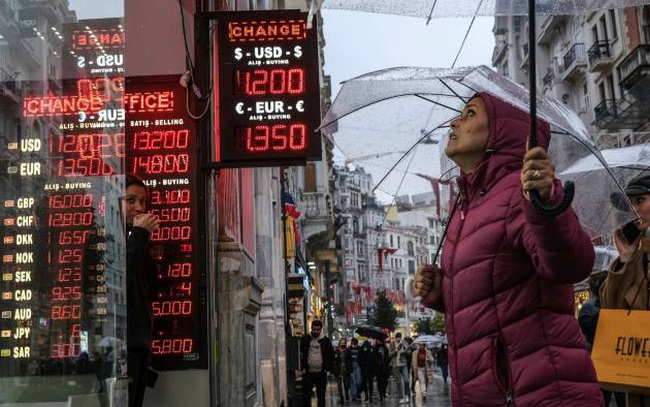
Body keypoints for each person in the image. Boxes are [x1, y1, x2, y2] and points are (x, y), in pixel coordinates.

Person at [413, 92, 603, 406]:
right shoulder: (466, 205)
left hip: (539, 391)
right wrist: (442, 295)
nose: (454, 122)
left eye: (469, 114)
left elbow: (571, 265)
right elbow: (496, 296)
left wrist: (546, 202)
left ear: (502, 130)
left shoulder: (520, 190)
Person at [600, 174, 650, 407]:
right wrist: (625, 259)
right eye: (629, 205)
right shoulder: (635, 260)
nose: (634, 210)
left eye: (640, 200)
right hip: (639, 382)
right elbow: (611, 313)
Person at [123, 174, 160, 407]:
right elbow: (120, 278)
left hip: (139, 344)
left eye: (143, 201)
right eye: (131, 200)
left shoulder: (133, 238)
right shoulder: (107, 237)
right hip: (124, 344)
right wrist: (139, 235)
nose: (139, 207)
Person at [579, 273, 626, 406]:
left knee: (622, 398)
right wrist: (606, 313)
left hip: (618, 361)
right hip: (600, 362)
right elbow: (587, 328)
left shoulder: (618, 304)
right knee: (602, 399)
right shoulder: (589, 308)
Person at [299, 320, 334, 407]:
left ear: (321, 329)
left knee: (321, 396)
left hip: (321, 373)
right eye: (314, 329)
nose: (315, 331)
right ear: (311, 328)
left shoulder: (325, 341)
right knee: (306, 396)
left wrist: (327, 368)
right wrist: (302, 367)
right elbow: (300, 353)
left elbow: (331, 355)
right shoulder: (305, 339)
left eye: (317, 330)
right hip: (308, 372)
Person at [388, 332, 409, 404]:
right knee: (399, 382)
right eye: (397, 337)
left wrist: (404, 351)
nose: (398, 339)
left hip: (403, 364)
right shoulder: (392, 344)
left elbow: (409, 351)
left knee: (406, 380)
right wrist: (396, 351)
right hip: (395, 365)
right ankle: (401, 397)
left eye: (399, 337)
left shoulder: (404, 342)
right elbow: (390, 354)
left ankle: (406, 395)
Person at [333, 337, 350, 403]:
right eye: (341, 342)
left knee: (346, 384)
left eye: (344, 343)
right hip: (338, 369)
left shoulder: (347, 351)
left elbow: (349, 361)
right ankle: (341, 398)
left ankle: (346, 394)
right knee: (339, 385)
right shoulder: (336, 351)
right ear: (339, 343)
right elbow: (334, 361)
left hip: (345, 369)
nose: (343, 344)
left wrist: (349, 369)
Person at [373, 338, 390, 402]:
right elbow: (374, 357)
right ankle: (381, 395)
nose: (379, 341)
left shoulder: (385, 348)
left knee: (385, 381)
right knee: (379, 382)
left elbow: (387, 357)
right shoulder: (375, 348)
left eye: (380, 340)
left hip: (385, 367)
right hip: (378, 368)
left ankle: (384, 391)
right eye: (378, 340)